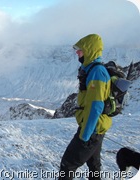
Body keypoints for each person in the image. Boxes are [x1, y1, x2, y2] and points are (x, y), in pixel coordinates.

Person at [58, 34, 112, 180]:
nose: (77, 52)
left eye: (80, 49)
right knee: (94, 165)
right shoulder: (91, 69)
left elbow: (95, 106)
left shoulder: (97, 73)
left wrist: (85, 135)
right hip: (96, 128)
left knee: (67, 165)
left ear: (89, 50)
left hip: (91, 129)